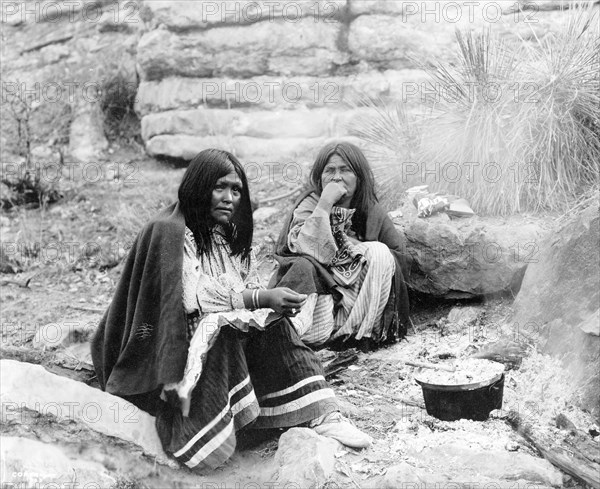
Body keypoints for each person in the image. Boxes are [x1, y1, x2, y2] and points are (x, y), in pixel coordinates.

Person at [91, 148, 371, 472]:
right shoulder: (169, 230)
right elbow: (193, 298)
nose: (229, 198)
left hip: (209, 333)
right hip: (164, 353)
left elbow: (241, 287)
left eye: (236, 190)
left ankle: (320, 413)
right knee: (221, 329)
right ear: (198, 187)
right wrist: (260, 298)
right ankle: (207, 428)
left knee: (273, 324)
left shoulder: (223, 234)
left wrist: (266, 306)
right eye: (219, 187)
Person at [269, 142, 411, 351]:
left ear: (359, 178)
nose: (337, 177)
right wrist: (325, 204)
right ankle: (286, 339)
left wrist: (357, 248)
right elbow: (304, 247)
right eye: (330, 171)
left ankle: (358, 335)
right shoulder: (309, 204)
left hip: (356, 305)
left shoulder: (370, 210)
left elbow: (399, 259)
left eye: (345, 170)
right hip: (319, 297)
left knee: (380, 253)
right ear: (320, 178)